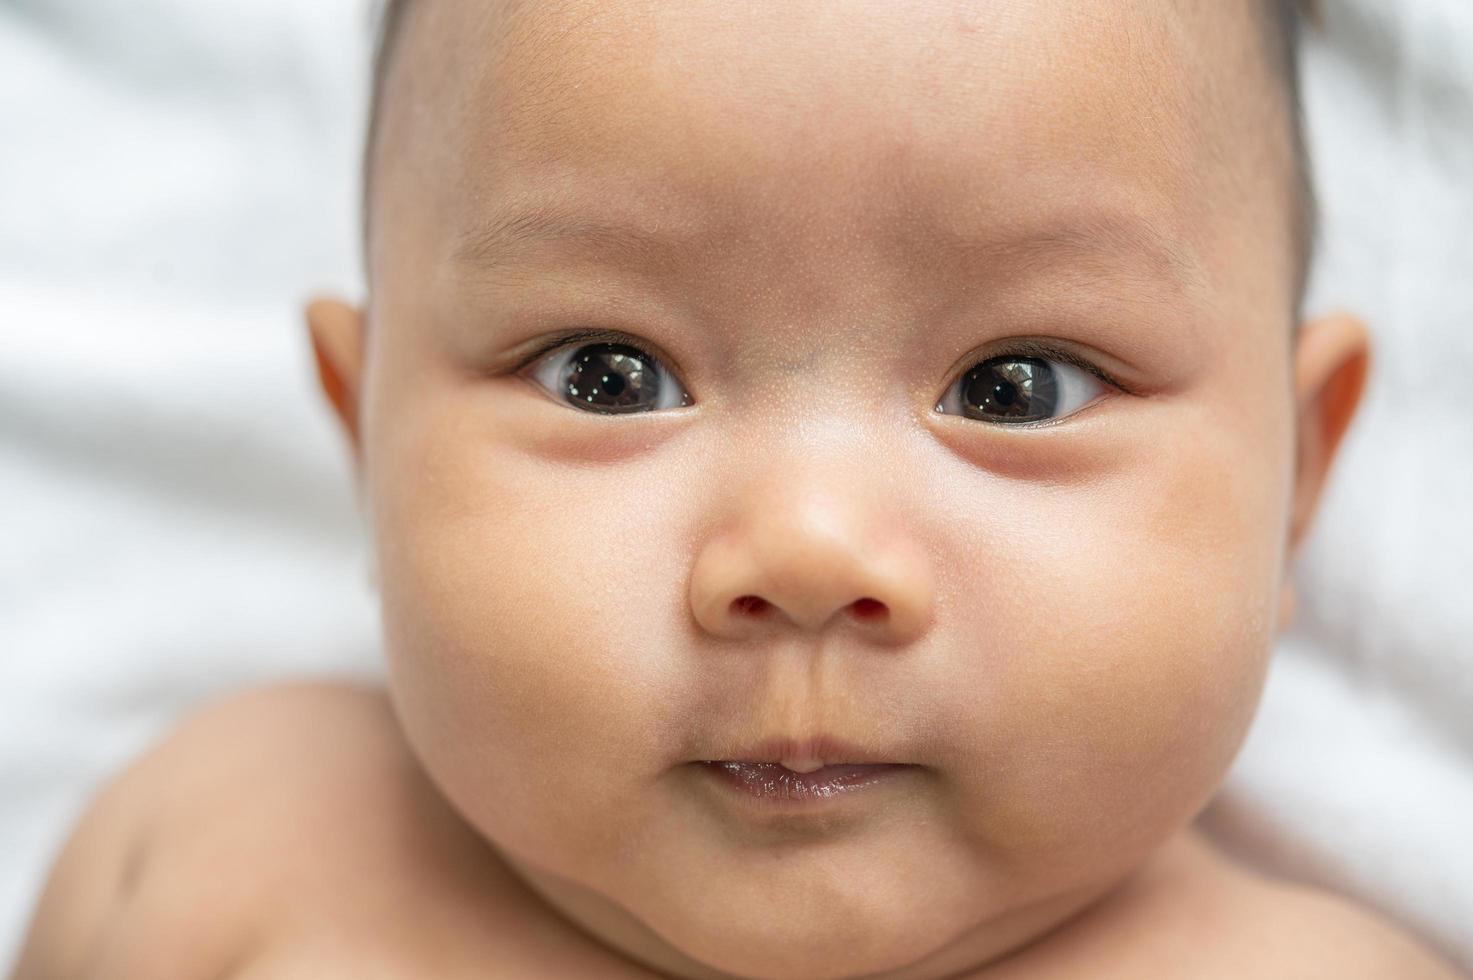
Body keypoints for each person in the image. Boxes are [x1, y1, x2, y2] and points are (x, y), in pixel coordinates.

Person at [12, 0, 1466, 977]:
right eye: (605, 373)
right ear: (364, 438)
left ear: (1293, 477)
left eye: (1017, 386)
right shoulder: (222, 853)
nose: (809, 548)